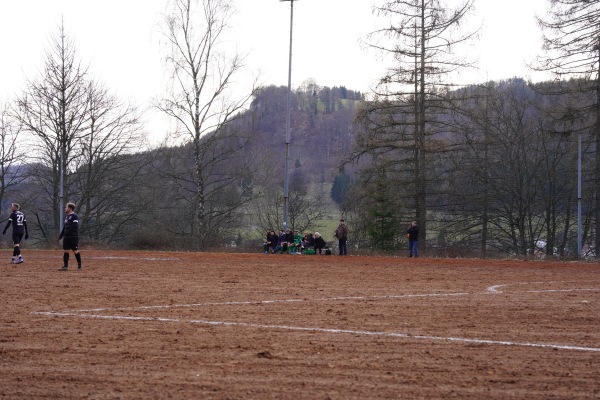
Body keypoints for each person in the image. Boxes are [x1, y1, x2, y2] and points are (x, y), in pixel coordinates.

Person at [58, 202, 83, 271]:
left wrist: (67, 232)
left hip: (73, 236)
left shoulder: (75, 216)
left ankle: (79, 265)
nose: (65, 208)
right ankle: (65, 266)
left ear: (70, 208)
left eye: (66, 207)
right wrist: (61, 235)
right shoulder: (67, 217)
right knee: (66, 250)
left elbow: (74, 226)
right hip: (66, 237)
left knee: (75, 251)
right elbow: (65, 227)